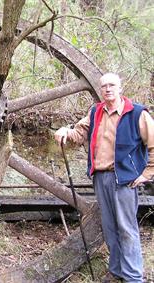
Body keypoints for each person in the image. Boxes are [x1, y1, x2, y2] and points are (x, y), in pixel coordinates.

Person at [55, 73, 154, 283]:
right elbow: (79, 134)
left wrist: (147, 173)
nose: (107, 89)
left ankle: (134, 277)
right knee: (109, 228)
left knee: (127, 229)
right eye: (104, 87)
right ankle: (117, 270)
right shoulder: (95, 112)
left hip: (125, 180)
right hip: (101, 178)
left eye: (111, 85)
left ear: (120, 88)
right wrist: (66, 131)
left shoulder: (137, 114)